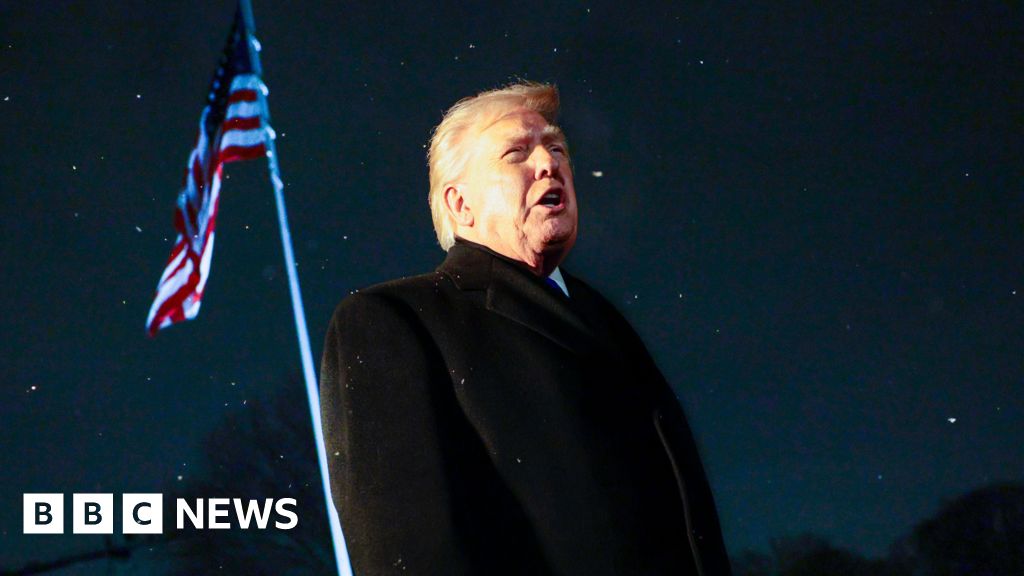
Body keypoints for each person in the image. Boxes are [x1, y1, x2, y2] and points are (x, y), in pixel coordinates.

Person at [319, 82, 732, 575]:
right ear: (460, 204)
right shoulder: (393, 320)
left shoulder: (608, 320)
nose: (549, 164)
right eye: (516, 153)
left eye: (557, 149)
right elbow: (406, 547)